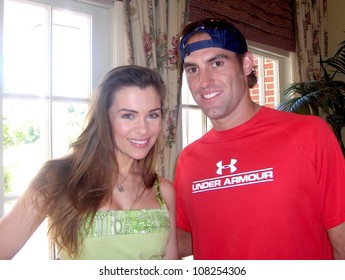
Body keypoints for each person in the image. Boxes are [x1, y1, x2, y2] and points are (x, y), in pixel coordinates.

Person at [174, 18, 345, 260]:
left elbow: (341, 238)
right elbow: (190, 239)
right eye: (193, 69)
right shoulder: (188, 159)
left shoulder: (309, 135)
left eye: (217, 63)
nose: (204, 82)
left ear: (245, 64)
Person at [0, 65, 178, 260]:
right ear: (104, 118)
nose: (144, 129)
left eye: (152, 115)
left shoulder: (164, 191)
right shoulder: (57, 179)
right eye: (128, 115)